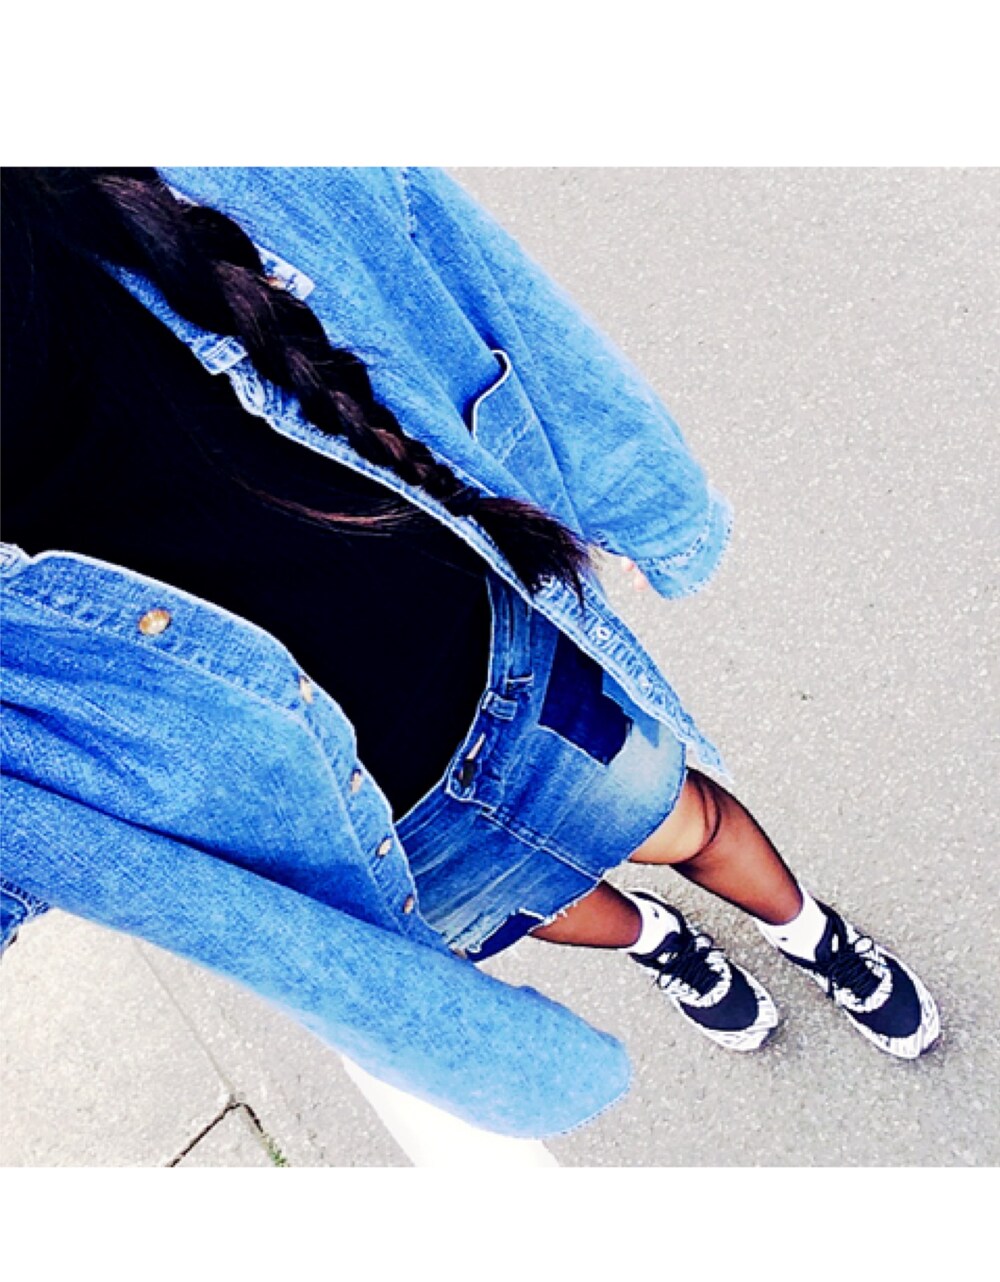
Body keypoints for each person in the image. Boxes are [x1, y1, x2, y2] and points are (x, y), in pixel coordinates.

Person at [0, 168, 939, 1143]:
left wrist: (631, 496)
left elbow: (450, 252)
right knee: (552, 899)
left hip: (505, 677)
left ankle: (812, 933)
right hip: (358, 844)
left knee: (683, 820)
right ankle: (664, 944)